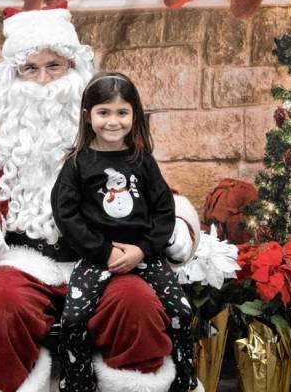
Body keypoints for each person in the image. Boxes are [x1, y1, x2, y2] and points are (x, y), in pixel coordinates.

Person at [0, 6, 201, 392]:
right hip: (21, 261)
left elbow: (156, 192)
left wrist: (175, 225)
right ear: (11, 74)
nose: (43, 79)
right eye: (30, 68)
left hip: (105, 257)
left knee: (138, 307)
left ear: (75, 68)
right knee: (1, 311)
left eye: (54, 65)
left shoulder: (107, 130)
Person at [51, 72, 199, 392]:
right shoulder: (77, 164)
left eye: (122, 112)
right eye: (104, 113)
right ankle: (77, 381)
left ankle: (184, 379)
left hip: (144, 254)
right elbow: (67, 216)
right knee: (74, 320)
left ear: (135, 115)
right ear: (88, 116)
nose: (113, 122)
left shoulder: (142, 161)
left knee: (182, 312)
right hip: (96, 257)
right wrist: (104, 251)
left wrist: (143, 249)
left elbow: (164, 212)